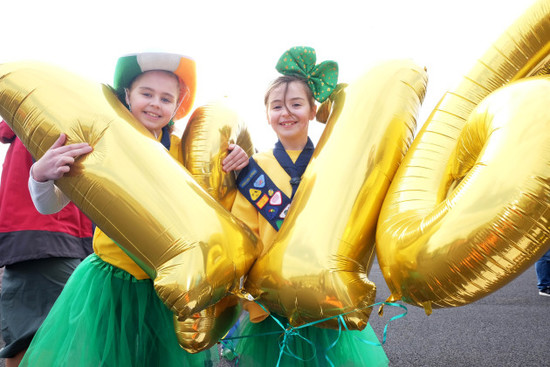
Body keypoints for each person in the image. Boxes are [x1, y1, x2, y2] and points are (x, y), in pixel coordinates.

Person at [20, 52, 249, 366]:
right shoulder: (101, 144)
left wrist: (237, 162)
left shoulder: (184, 151)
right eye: (146, 94)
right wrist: (41, 175)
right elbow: (49, 205)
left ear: (177, 106)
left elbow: (217, 204)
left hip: (167, 291)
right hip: (110, 284)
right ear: (127, 95)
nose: (156, 103)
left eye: (166, 98)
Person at [229, 46, 389, 366]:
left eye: (296, 104)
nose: (286, 112)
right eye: (277, 106)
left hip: (324, 294)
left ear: (313, 110)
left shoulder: (331, 161)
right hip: (273, 296)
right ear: (267, 114)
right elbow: (242, 230)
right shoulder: (253, 167)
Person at [0, 121, 93, 367]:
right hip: (48, 239)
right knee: (45, 341)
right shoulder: (47, 120)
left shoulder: (30, 122)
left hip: (47, 241)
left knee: (35, 336)